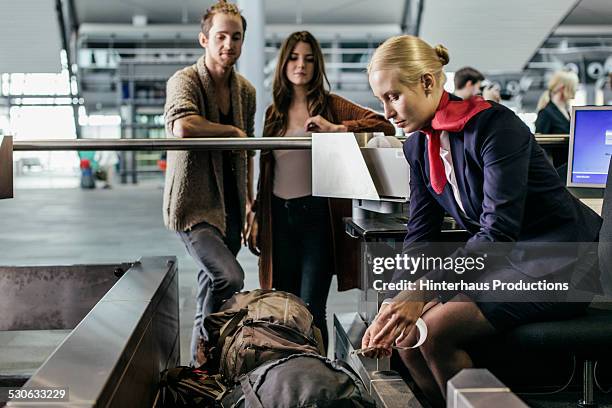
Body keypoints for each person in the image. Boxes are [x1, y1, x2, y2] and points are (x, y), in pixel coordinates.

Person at [364, 35, 601, 407]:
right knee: (407, 338)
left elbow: (498, 232)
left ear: (427, 81)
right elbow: (421, 234)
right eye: (381, 100)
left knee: (435, 331)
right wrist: (396, 297)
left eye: (393, 96)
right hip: (509, 261)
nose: (388, 111)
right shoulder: (417, 147)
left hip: (561, 261)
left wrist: (422, 293)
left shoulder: (495, 127)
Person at [248, 31, 394, 348]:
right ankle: (287, 375)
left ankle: (317, 378)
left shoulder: (329, 106)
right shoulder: (274, 113)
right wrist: (257, 215)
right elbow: (265, 172)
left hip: (316, 218)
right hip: (278, 216)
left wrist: (337, 129)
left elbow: (384, 125)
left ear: (318, 66)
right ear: (284, 62)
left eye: (309, 59)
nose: (301, 65)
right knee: (282, 309)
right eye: (294, 57)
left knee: (312, 308)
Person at [162, 0, 255, 367]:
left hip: (231, 205)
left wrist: (249, 205)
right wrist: (231, 130)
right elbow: (183, 126)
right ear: (204, 39)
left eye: (236, 37)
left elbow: (247, 152)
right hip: (193, 205)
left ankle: (201, 371)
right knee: (229, 276)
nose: (228, 44)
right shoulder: (184, 80)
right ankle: (208, 348)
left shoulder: (244, 91)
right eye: (220, 36)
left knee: (208, 284)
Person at [535, 70, 579, 135]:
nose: (576, 89)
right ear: (562, 87)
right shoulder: (545, 113)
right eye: (573, 86)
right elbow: (539, 143)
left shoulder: (567, 112)